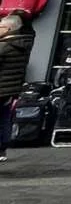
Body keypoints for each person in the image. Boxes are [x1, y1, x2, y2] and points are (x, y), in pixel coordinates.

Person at [0, 13, 35, 164]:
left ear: (8, 29)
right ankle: (2, 149)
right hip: (10, 89)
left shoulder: (4, 46)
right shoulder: (22, 44)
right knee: (4, 119)